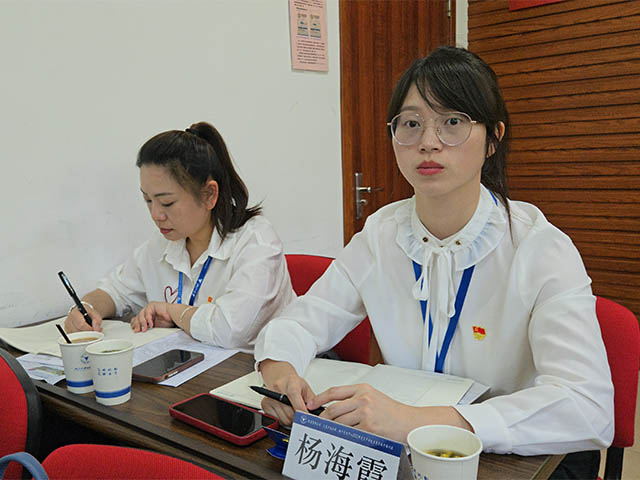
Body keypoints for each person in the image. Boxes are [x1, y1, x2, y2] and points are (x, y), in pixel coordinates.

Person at [254, 46, 613, 477]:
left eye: (453, 122)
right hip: (401, 454)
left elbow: (588, 407)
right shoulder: (381, 234)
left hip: (514, 455)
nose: (428, 142)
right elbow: (300, 321)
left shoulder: (540, 247)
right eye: (411, 123)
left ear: (493, 138)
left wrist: (416, 421)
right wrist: (280, 370)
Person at [64, 121, 295, 351]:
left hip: (256, 369)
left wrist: (172, 311)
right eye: (148, 200)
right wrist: (86, 307)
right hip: (191, 366)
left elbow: (230, 329)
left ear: (209, 195)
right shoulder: (165, 242)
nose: (156, 215)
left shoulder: (257, 242)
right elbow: (116, 290)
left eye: (167, 202)